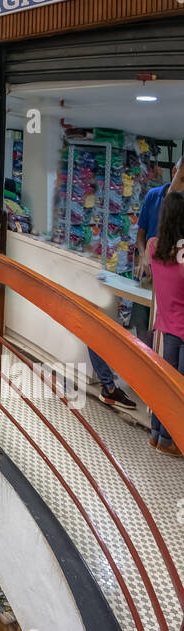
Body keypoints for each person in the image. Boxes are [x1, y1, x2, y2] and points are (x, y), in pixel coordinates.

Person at [147, 190, 184, 457]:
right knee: (178, 390)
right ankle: (169, 439)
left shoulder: (152, 247)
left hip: (166, 327)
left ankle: (156, 434)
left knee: (164, 384)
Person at [135, 158, 184, 344]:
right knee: (142, 322)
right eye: (183, 178)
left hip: (172, 278)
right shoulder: (152, 197)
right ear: (174, 172)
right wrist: (143, 258)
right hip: (152, 271)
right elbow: (141, 235)